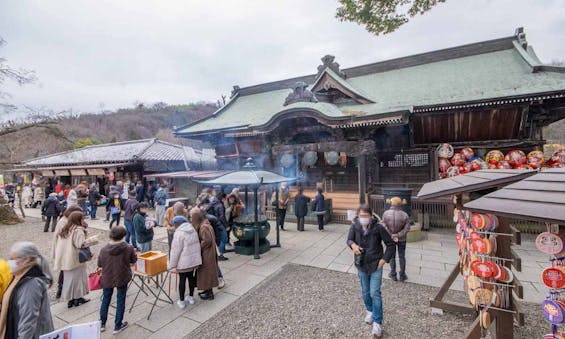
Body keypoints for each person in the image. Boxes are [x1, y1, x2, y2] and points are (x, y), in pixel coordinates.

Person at [347, 204, 395, 337]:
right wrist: (353, 245)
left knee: (375, 293)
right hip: (361, 264)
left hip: (375, 265)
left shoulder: (378, 227)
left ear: (371, 215)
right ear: (358, 215)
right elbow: (349, 239)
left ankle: (377, 323)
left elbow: (390, 244)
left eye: (366, 216)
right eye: (361, 216)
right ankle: (369, 311)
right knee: (365, 291)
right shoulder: (355, 226)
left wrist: (384, 260)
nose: (363, 218)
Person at [0, 242, 54, 339]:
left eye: (12, 259)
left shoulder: (31, 284)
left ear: (25, 260)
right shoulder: (18, 276)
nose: (9, 262)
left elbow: (28, 321)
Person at [53, 211, 97, 308]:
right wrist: (92, 240)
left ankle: (71, 299)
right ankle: (78, 298)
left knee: (69, 280)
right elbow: (80, 244)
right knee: (78, 279)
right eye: (82, 218)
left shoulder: (66, 229)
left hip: (66, 258)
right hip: (75, 258)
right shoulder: (78, 230)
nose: (83, 220)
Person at [98, 226, 137, 334]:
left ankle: (102, 323)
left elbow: (99, 264)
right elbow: (133, 261)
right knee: (121, 299)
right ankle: (117, 325)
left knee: (106, 299)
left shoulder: (104, 249)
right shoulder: (128, 248)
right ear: (123, 235)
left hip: (108, 276)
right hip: (122, 276)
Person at [169, 215, 202, 309]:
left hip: (183, 262)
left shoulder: (179, 233)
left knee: (182, 281)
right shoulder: (192, 230)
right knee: (191, 278)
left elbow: (175, 251)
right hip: (192, 261)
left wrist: (172, 265)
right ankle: (191, 297)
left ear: (176, 224)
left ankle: (182, 301)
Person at [52, 205, 83, 299]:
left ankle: (64, 291)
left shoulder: (66, 221)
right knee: (66, 270)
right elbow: (72, 239)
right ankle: (62, 290)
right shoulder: (64, 222)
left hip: (65, 249)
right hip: (66, 249)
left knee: (66, 269)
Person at [190, 207, 218, 300]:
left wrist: (198, 247)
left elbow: (207, 240)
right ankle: (206, 290)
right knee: (205, 273)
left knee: (206, 273)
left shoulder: (203, 227)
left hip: (207, 254)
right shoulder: (205, 224)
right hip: (208, 253)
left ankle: (209, 294)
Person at [382, 197, 411, 282]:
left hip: (390, 238)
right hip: (401, 239)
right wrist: (398, 235)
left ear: (391, 203)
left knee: (392, 256)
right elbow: (407, 228)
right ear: (400, 204)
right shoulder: (404, 214)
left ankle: (393, 274)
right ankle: (402, 275)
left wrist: (391, 235)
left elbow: (383, 225)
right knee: (402, 256)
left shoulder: (386, 213)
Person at [206, 195, 229, 261]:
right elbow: (222, 217)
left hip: (214, 223)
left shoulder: (212, 203)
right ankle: (220, 254)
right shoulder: (220, 205)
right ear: (223, 198)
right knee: (224, 238)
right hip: (219, 224)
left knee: (218, 238)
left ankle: (219, 253)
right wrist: (226, 225)